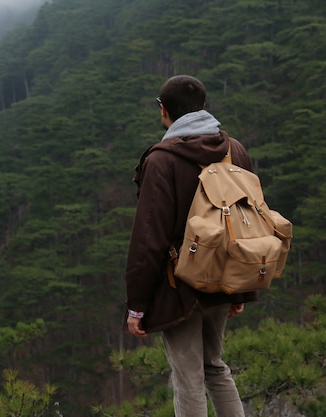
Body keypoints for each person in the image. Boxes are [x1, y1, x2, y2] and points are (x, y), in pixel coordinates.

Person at [123, 75, 257, 417]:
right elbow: (250, 219)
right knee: (215, 365)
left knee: (188, 377)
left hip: (179, 281)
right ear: (202, 106)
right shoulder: (234, 150)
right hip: (226, 274)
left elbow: (149, 238)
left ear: (164, 110)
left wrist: (137, 305)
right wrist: (240, 287)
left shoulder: (161, 160)